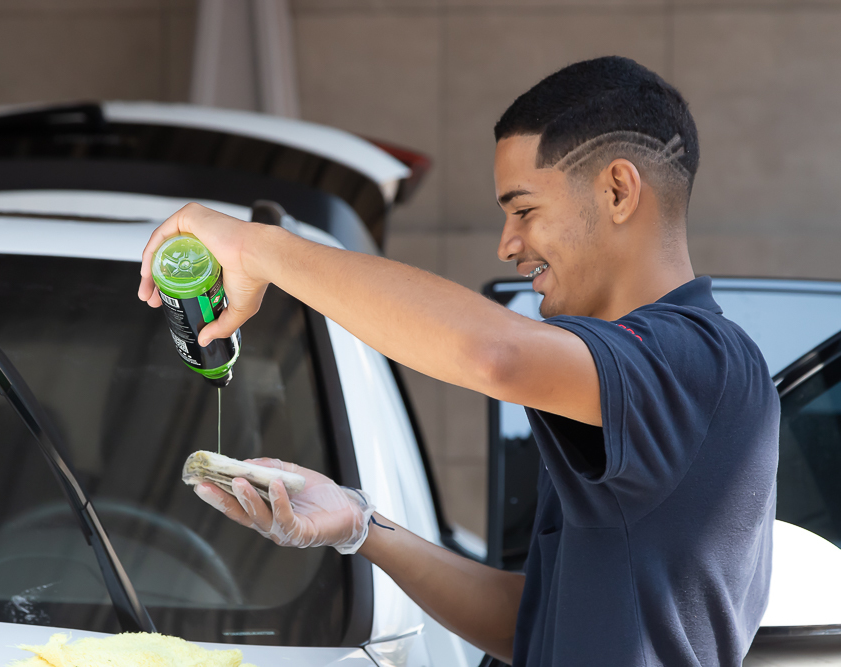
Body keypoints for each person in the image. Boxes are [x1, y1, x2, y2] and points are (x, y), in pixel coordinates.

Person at [137, 56, 778, 667]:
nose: (507, 244)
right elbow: (528, 625)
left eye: (523, 210)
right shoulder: (636, 390)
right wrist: (360, 526)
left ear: (616, 190)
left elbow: (494, 355)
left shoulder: (702, 359)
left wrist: (259, 249)